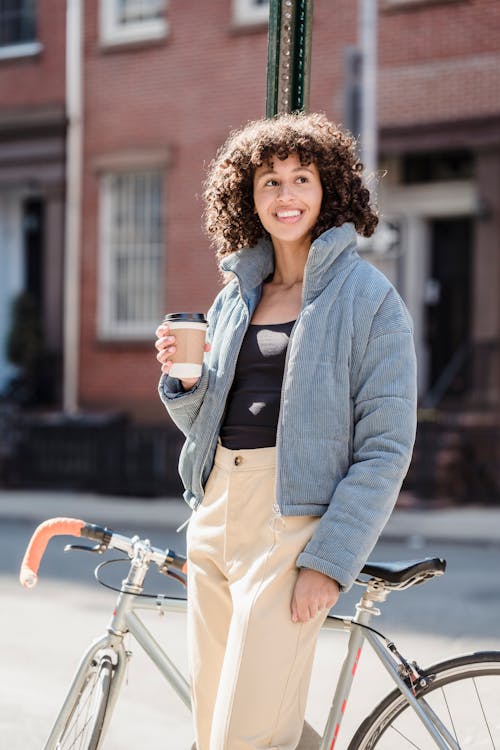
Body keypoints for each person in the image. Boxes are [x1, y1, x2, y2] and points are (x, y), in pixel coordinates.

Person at [154, 112, 417, 750]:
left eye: (302, 177)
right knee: (216, 727)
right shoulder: (233, 296)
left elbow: (385, 448)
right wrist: (183, 386)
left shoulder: (368, 299)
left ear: (331, 191)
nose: (286, 195)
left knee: (247, 735)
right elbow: (209, 423)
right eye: (269, 182)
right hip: (215, 512)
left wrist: (329, 562)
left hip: (292, 525)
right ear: (248, 196)